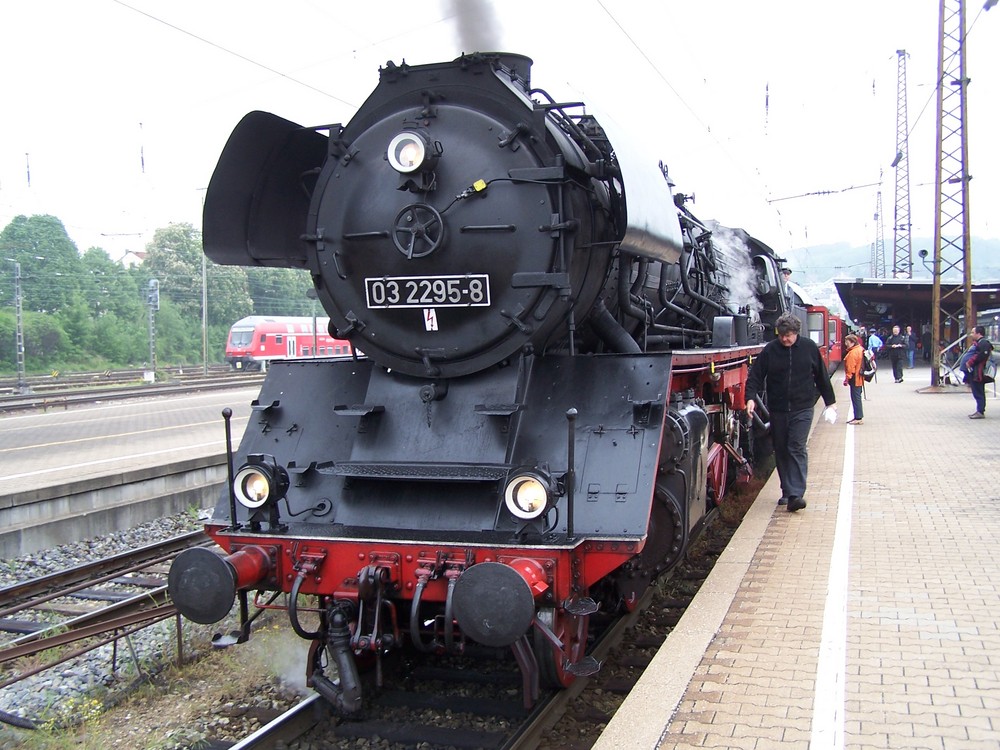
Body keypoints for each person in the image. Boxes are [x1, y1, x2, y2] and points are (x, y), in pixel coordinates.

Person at [745, 314, 837, 513]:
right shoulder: (770, 350)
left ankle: (796, 494)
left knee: (796, 446)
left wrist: (831, 402)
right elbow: (756, 376)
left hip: (802, 407)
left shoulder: (809, 348)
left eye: (789, 335)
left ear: (796, 333)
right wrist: (750, 398)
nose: (785, 339)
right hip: (778, 409)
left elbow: (821, 375)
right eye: (782, 335)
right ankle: (787, 490)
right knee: (781, 448)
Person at [963, 325, 994, 419]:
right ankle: (979, 410)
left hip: (979, 372)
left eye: (973, 332)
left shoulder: (984, 343)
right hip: (975, 371)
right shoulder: (979, 343)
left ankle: (980, 411)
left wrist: (970, 362)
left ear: (978, 333)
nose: (971, 334)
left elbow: (981, 356)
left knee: (979, 391)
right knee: (977, 391)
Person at [842, 333, 865, 425]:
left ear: (852, 342)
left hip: (855, 378)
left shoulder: (853, 353)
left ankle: (858, 418)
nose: (845, 343)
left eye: (846, 342)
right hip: (859, 377)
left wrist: (847, 379)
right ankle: (857, 417)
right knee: (857, 397)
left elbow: (850, 367)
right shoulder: (860, 349)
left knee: (855, 398)